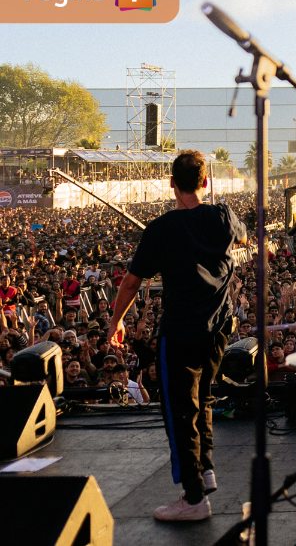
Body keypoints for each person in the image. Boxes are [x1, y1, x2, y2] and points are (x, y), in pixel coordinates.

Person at [107, 150, 246, 521]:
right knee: (203, 399)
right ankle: (206, 468)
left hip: (180, 332)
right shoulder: (223, 216)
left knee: (179, 413)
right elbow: (246, 240)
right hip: (218, 330)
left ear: (171, 183)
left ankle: (194, 497)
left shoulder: (160, 230)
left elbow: (132, 282)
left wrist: (116, 321)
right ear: (205, 183)